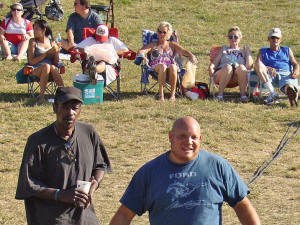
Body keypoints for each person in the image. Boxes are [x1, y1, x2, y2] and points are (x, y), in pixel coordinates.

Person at [109, 116, 261, 225]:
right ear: (171, 137)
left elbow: (243, 206)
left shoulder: (218, 167)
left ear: (200, 139)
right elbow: (124, 214)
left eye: (194, 137)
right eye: (182, 136)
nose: (189, 142)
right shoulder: (149, 173)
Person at [15, 86, 111, 225]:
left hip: (85, 218)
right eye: (65, 107)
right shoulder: (38, 141)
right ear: (55, 107)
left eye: (75, 107)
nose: (70, 112)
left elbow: (100, 165)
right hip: (53, 219)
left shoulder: (88, 133)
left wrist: (94, 184)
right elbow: (28, 183)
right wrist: (60, 195)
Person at [137, 21, 197, 101]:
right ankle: (161, 94)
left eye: (164, 32)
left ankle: (172, 95)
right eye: (159, 31)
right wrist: (143, 56)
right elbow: (142, 51)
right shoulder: (153, 44)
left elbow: (184, 51)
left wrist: (191, 56)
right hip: (156, 66)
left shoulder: (172, 45)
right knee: (162, 66)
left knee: (173, 66)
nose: (161, 34)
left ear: (169, 34)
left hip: (171, 66)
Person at [254, 28, 299, 106]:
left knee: (289, 86)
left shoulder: (286, 50)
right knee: (258, 63)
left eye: (277, 38)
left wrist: (297, 70)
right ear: (268, 39)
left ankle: (291, 94)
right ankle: (273, 93)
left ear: (280, 39)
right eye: (273, 37)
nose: (275, 40)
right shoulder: (263, 51)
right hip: (269, 74)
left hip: (285, 73)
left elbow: (295, 63)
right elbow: (255, 66)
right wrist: (268, 68)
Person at [208, 26, 253, 102]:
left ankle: (243, 95)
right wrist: (211, 68)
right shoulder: (224, 49)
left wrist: (248, 51)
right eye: (230, 37)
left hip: (236, 76)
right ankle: (220, 95)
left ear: (240, 38)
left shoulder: (243, 51)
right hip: (222, 73)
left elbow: (249, 66)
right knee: (228, 67)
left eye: (235, 37)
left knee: (242, 67)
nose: (233, 39)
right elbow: (215, 62)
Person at [27, 19, 64, 104]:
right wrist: (46, 53)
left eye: (36, 29)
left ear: (44, 30)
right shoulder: (32, 42)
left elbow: (55, 62)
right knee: (46, 66)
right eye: (34, 28)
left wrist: (56, 52)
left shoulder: (51, 42)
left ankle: (63, 93)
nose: (34, 31)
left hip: (50, 70)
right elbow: (31, 61)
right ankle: (41, 97)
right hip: (35, 69)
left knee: (52, 67)